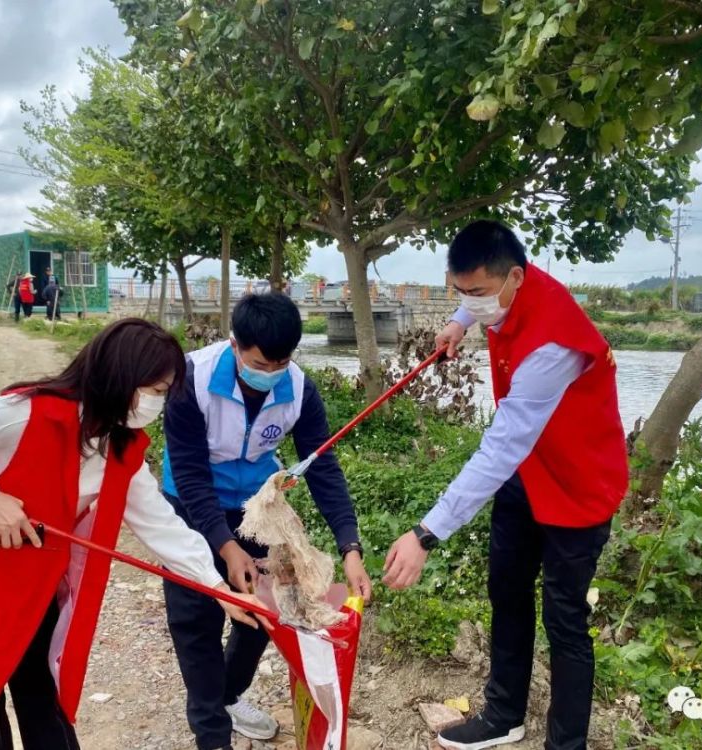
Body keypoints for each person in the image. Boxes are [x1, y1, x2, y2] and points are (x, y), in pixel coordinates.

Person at [0, 318, 265, 750]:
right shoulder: (26, 414)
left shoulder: (119, 447)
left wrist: (216, 587)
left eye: (164, 393)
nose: (156, 405)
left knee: (41, 694)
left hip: (33, 587)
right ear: (119, 377)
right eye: (155, 391)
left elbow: (160, 524)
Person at [382, 220, 628, 750]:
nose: (471, 301)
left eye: (477, 294)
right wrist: (458, 321)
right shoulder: (504, 289)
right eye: (459, 291)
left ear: (515, 277)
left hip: (579, 483)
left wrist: (426, 534)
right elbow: (479, 299)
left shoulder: (552, 344)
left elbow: (500, 447)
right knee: (507, 591)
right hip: (528, 473)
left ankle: (567, 745)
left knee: (565, 620)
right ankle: (503, 715)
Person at [162, 293, 372, 750]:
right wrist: (224, 545)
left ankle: (230, 696)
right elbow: (191, 473)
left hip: (256, 509)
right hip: (188, 504)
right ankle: (211, 733)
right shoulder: (190, 379)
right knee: (196, 615)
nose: (271, 373)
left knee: (261, 612)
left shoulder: (299, 389)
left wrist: (349, 546)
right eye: (260, 362)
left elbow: (323, 467)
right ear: (236, 345)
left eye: (282, 362)